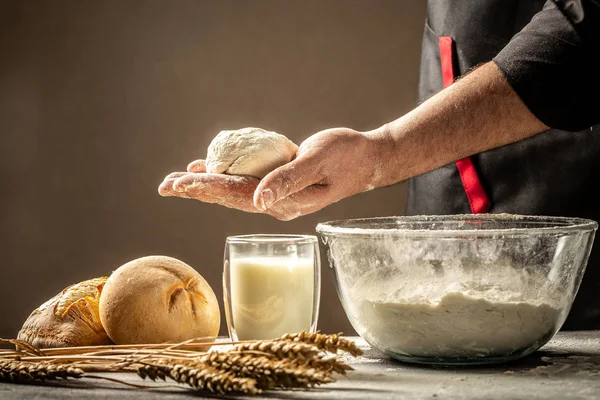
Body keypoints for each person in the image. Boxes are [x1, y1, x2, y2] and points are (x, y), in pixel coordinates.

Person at [159, 0, 600, 330]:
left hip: (573, 167)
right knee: (433, 336)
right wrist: (382, 152)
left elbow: (588, 28)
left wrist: (382, 152)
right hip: (444, 139)